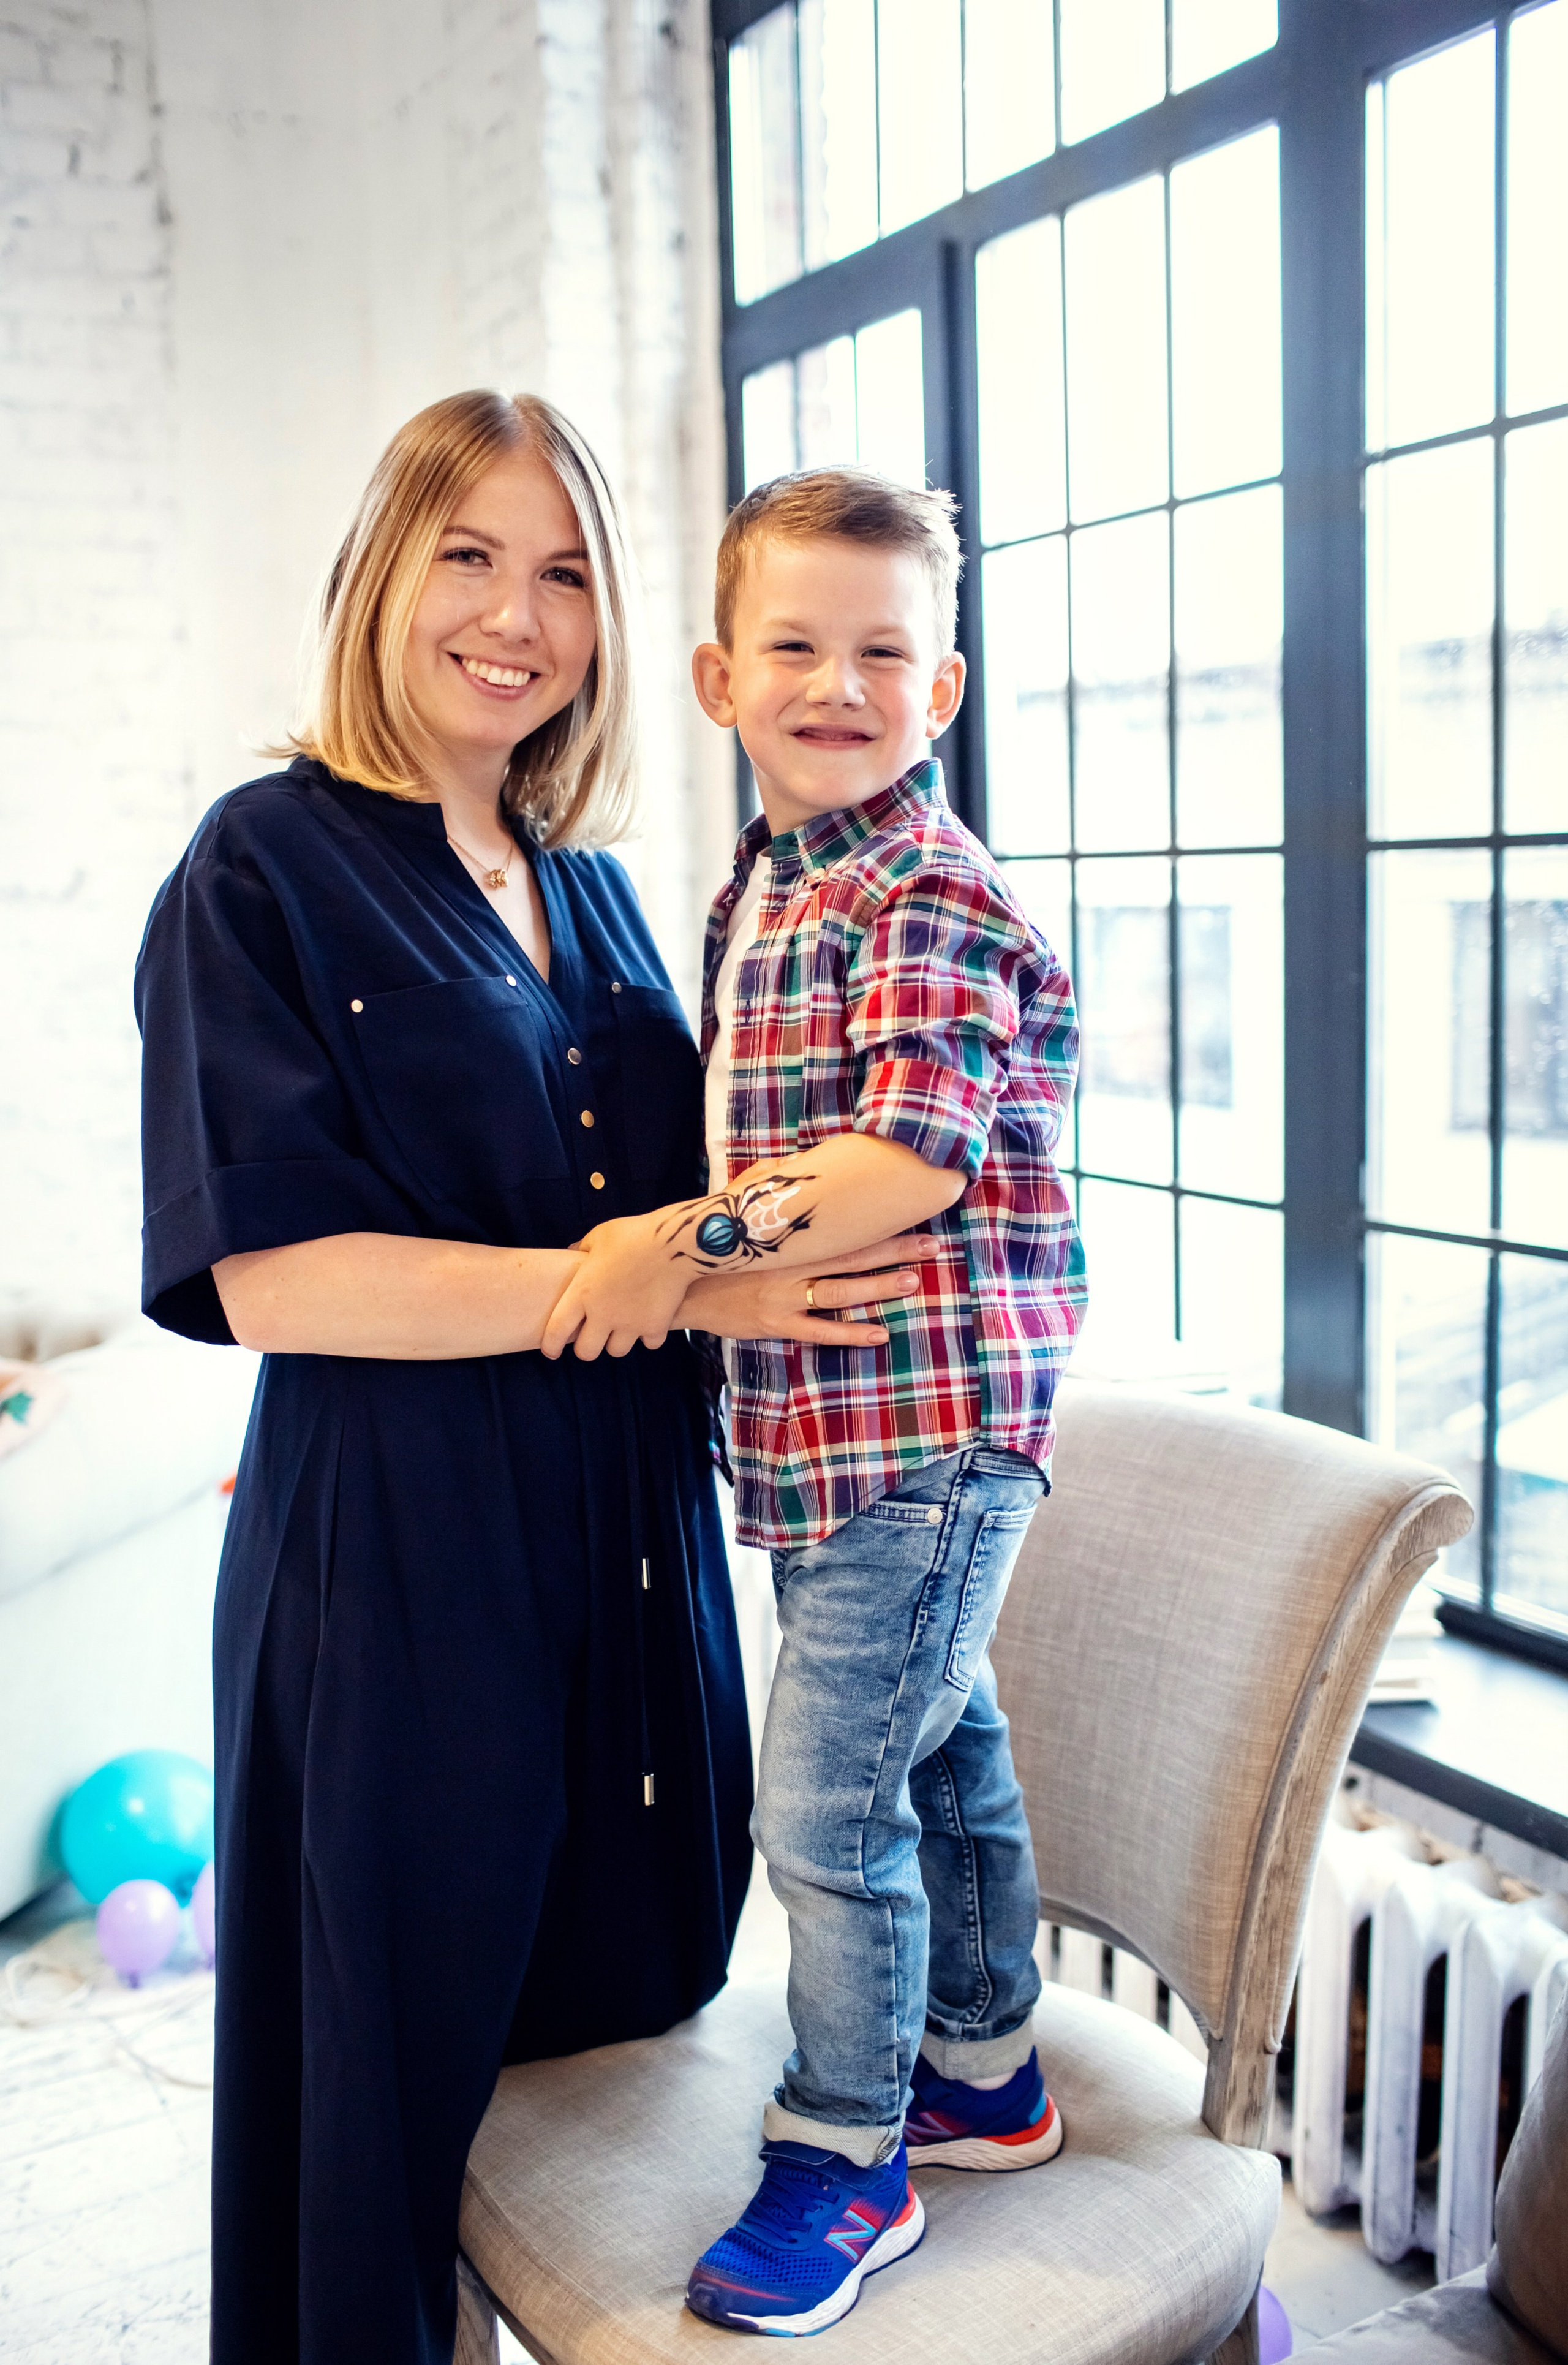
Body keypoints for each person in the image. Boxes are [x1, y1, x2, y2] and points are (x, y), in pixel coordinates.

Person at [134, 394, 937, 2365]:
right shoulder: (261, 867)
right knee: (375, 2122)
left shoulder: (589, 882)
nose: (518, 615)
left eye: (565, 572)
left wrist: (750, 1263)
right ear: (381, 572)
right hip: (403, 1579)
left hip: (634, 1568)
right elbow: (269, 1275)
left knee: (617, 2045)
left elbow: (706, 1200)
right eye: (471, 556)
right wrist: (633, 1276)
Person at [543, 467, 1087, 2337]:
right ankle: (986, 2069)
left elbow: (908, 1158)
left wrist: (678, 1249)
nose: (838, 684)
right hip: (828, 1428)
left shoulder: (929, 887)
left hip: (926, 1426)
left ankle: (849, 2144)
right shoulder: (767, 884)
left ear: (944, 690)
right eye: (795, 644)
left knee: (829, 1812)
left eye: (884, 652)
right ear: (719, 678)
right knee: (937, 1747)